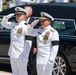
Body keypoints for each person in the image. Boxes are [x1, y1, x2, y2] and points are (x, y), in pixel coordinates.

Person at [1, 7, 39, 75]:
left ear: (24, 16)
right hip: (12, 53)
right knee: (15, 72)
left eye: (20, 15)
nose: (17, 16)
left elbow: (29, 42)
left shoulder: (26, 27)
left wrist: (25, 55)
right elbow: (3, 24)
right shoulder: (14, 25)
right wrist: (6, 17)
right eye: (17, 14)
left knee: (22, 72)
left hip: (21, 54)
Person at [24, 6, 37, 75]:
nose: (25, 13)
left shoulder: (34, 22)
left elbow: (37, 35)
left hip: (31, 45)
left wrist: (35, 46)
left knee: (32, 62)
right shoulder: (21, 21)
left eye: (27, 11)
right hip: (22, 45)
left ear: (31, 13)